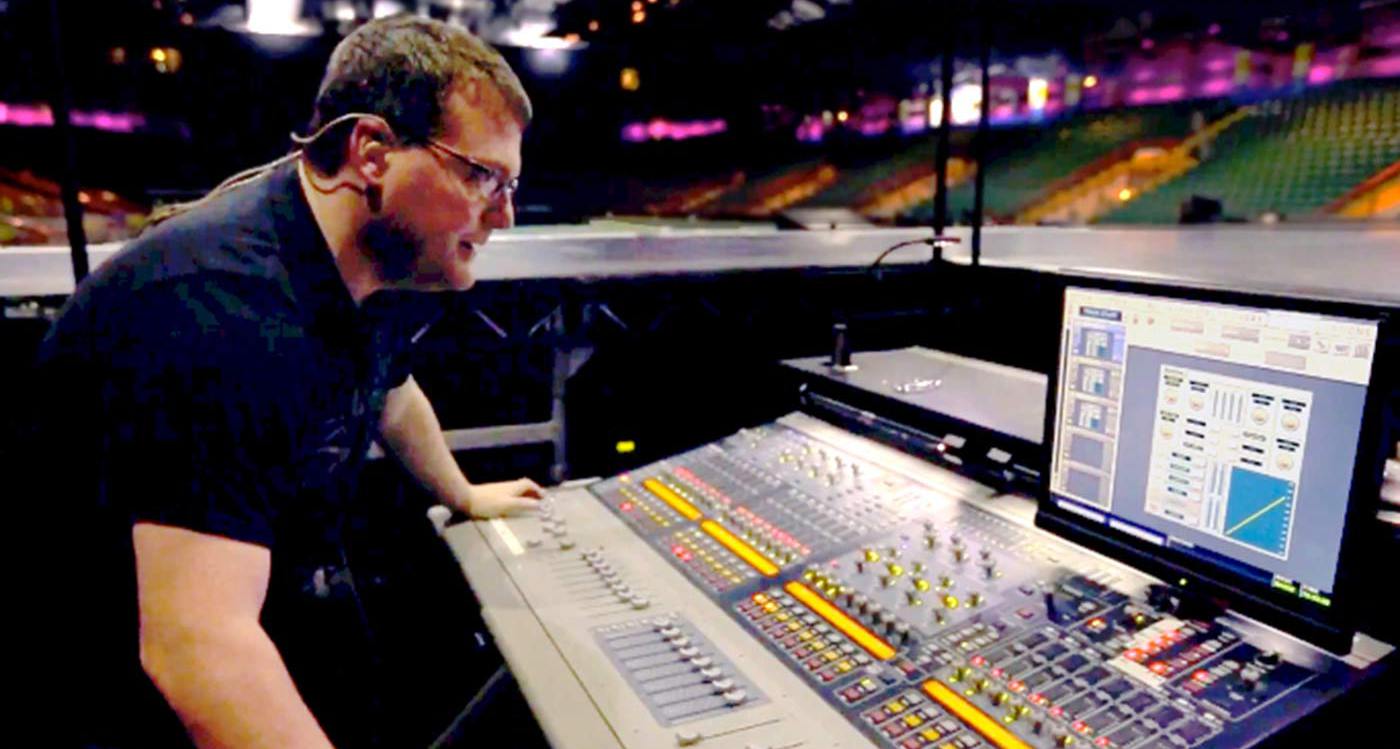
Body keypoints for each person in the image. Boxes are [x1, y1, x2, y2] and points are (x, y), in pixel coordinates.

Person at [28, 15, 542, 749]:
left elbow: (391, 392)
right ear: (371, 152)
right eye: (480, 175)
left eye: (511, 182)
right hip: (100, 695)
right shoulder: (218, 313)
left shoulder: (370, 254)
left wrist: (460, 491)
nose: (505, 213)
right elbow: (199, 652)